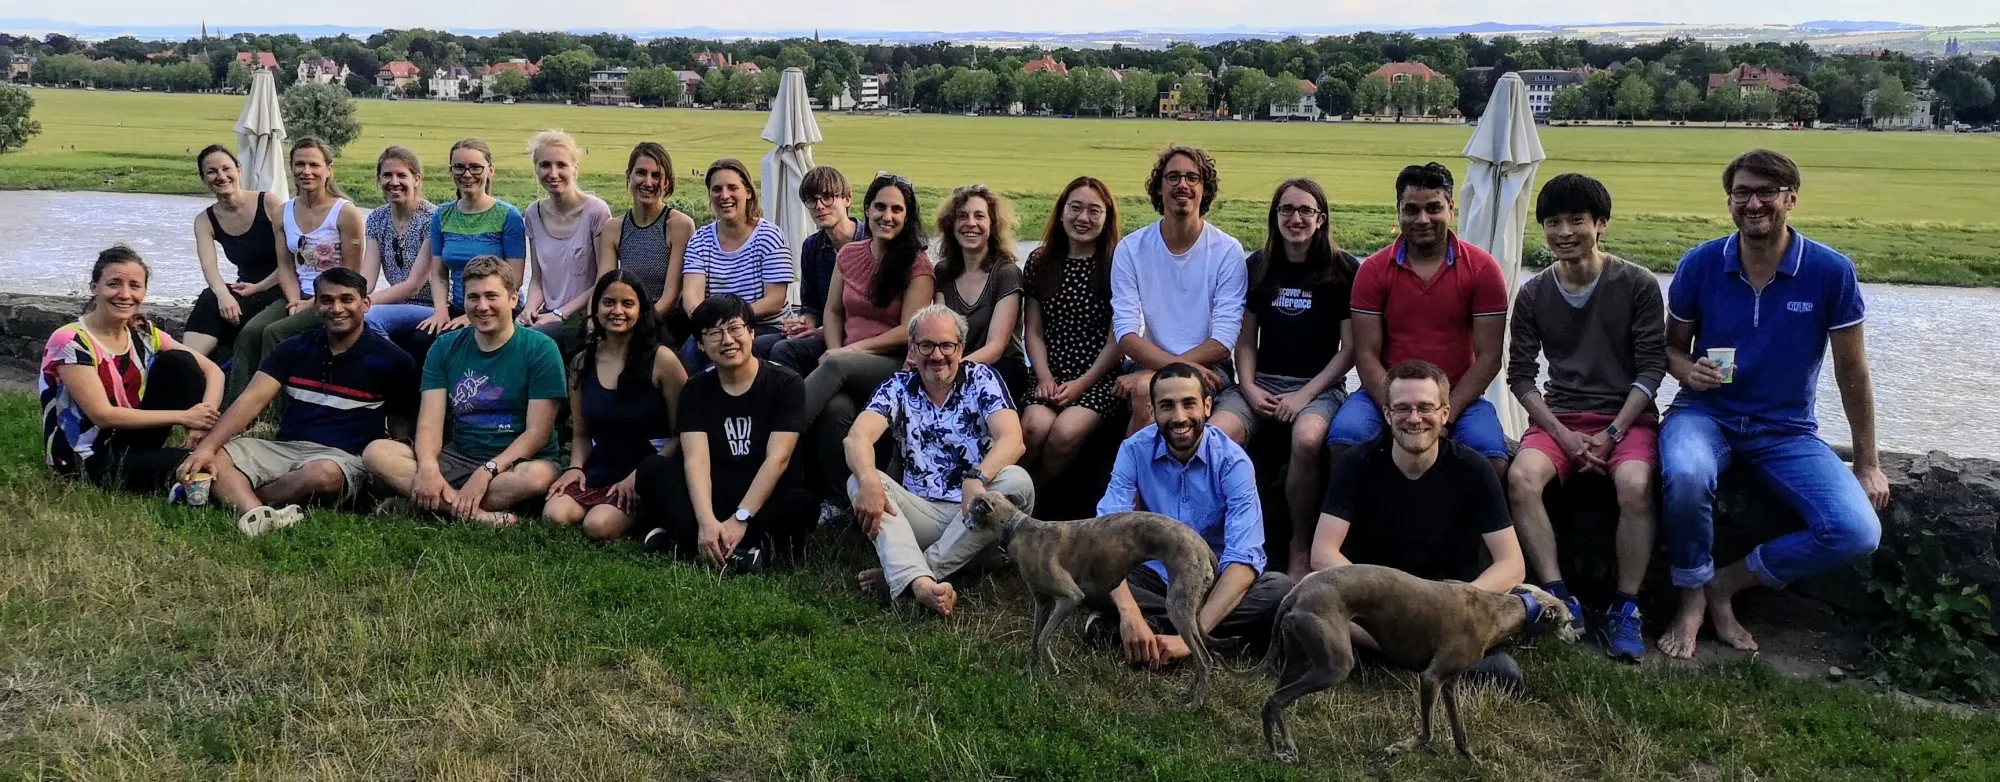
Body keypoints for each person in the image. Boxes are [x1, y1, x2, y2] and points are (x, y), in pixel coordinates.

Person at [1656, 149, 1889, 660]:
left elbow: (1854, 372)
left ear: (1791, 199)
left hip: (1787, 429)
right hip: (1704, 414)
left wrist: (1867, 462)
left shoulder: (1830, 271)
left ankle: (1727, 584)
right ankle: (1691, 595)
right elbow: (1670, 349)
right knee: (1688, 476)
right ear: (1729, 201)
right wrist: (1686, 369)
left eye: (1767, 192)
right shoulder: (1700, 264)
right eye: (1742, 192)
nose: (1754, 203)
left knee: (1856, 530)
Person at [1504, 173, 1667, 662]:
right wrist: (1562, 434)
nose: (1564, 232)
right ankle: (1557, 597)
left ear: (1601, 224)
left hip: (1628, 416)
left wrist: (1614, 433)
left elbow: (1652, 367)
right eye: (1553, 222)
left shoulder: (1636, 284)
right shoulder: (1533, 293)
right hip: (1561, 418)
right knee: (1521, 479)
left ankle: (1625, 606)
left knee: (1636, 485)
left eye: (1577, 220)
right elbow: (1520, 376)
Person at [1312, 360, 1526, 686]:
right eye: (1402, 409)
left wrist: (1457, 601)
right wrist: (1380, 598)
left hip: (1446, 610)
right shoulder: (1357, 463)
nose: (1414, 419)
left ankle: (1398, 655)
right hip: (1375, 608)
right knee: (1305, 598)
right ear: (1387, 414)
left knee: (1506, 670)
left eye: (1425, 408)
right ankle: (1428, 659)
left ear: (1444, 413)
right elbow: (1323, 553)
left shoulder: (1474, 468)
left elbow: (1512, 564)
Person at [175, 268, 418, 535]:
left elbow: (401, 429)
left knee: (323, 475)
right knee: (219, 457)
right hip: (286, 447)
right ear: (315, 306)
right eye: (326, 300)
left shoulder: (392, 360)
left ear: (366, 304)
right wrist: (207, 448)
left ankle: (234, 494)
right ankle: (256, 514)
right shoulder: (294, 348)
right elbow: (251, 401)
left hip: (342, 457)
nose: (336, 308)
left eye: (346, 299)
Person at [1086, 363, 1292, 668]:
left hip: (1212, 580)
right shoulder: (1133, 451)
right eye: (1167, 406)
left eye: (1189, 403)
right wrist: (1129, 612)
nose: (1179, 417)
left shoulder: (1233, 462)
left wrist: (1188, 637)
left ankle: (1162, 632)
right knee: (1089, 572)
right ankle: (1165, 627)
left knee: (1278, 591)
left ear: (1207, 406)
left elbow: (1244, 560)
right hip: (1155, 574)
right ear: (1153, 411)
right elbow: (1105, 535)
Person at [1210, 178, 1360, 581]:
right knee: (1217, 433)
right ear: (1275, 216)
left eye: (1305, 210)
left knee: (1309, 439)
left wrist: (1304, 395)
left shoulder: (1344, 269)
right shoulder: (1257, 265)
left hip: (1319, 387)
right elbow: (1244, 341)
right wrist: (1247, 387)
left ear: (1321, 218)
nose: (1296, 218)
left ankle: (1299, 545)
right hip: (1260, 382)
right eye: (1287, 210)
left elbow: (1349, 350)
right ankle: (1218, 536)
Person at [845, 305, 1034, 616]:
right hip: (925, 515)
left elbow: (1012, 439)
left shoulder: (981, 378)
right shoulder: (898, 387)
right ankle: (922, 582)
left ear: (960, 348)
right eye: (926, 345)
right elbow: (857, 437)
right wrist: (867, 480)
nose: (936, 355)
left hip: (981, 520)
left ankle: (912, 575)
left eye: (946, 345)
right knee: (860, 479)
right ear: (912, 349)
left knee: (1017, 481)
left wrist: (976, 477)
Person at [1326, 162, 1511, 479]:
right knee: (1346, 439)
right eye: (1411, 209)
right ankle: (1350, 524)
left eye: (1433, 208)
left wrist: (1445, 414)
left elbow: (1490, 356)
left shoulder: (1483, 269)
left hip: (1457, 397)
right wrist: (1396, 408)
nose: (1422, 219)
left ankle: (1477, 528)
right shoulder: (1373, 269)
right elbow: (1366, 353)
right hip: (1386, 395)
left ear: (1451, 208)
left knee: (1489, 455)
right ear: (1398, 211)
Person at [362, 256, 564, 526]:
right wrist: (430, 468)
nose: (482, 307)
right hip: (458, 457)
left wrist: (488, 470)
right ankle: (476, 515)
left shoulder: (540, 348)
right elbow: (430, 423)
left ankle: (427, 502)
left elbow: (537, 434)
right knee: (376, 452)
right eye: (473, 297)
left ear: (514, 299)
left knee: (537, 476)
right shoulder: (445, 347)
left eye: (492, 296)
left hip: (515, 464)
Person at [636, 295, 816, 572]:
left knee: (802, 504)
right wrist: (707, 519)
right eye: (714, 334)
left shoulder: (787, 384)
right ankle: (734, 550)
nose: (727, 340)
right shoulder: (695, 389)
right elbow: (695, 460)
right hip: (713, 492)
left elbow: (777, 460)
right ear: (700, 345)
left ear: (752, 333)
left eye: (735, 329)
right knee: (652, 469)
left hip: (762, 494)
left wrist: (741, 518)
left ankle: (684, 541)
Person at [41, 246, 225, 494]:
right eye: (114, 284)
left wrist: (202, 422)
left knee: (179, 361)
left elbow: (214, 372)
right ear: (94, 287)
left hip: (131, 439)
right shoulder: (69, 341)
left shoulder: (141, 330)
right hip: (84, 458)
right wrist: (184, 416)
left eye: (135, 286)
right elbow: (103, 416)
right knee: (190, 461)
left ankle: (188, 461)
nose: (125, 294)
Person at [797, 172, 937, 498]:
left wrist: (846, 354)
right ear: (867, 208)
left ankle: (769, 445)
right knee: (835, 410)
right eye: (880, 207)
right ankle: (840, 498)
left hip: (894, 365)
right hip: (847, 362)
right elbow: (832, 311)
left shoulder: (916, 265)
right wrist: (834, 348)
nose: (887, 216)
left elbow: (908, 331)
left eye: (897, 210)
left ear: (907, 216)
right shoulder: (848, 254)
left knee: (834, 368)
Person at [1110, 146, 1247, 435]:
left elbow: (1223, 341)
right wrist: (1173, 367)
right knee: (1147, 393)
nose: (1182, 185)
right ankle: (1135, 479)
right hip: (1147, 361)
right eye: (1172, 177)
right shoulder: (1131, 249)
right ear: (1159, 188)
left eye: (1191, 178)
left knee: (1161, 391)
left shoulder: (1227, 251)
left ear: (1204, 189)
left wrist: (1171, 370)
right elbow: (1126, 334)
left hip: (1211, 366)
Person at [544, 270, 687, 541]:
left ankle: (651, 510)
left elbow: (681, 434)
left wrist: (640, 476)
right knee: (554, 515)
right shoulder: (581, 363)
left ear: (641, 310)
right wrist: (575, 467)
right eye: (608, 302)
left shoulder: (663, 361)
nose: (617, 311)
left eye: (627, 304)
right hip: (602, 463)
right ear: (596, 307)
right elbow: (581, 434)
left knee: (598, 526)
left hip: (648, 467)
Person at [225, 138, 367, 401]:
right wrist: (293, 301)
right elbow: (286, 265)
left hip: (333, 298)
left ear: (329, 169)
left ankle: (273, 409)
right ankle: (234, 406)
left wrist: (313, 302)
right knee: (250, 333)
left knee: (275, 332)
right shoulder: (283, 212)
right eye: (299, 164)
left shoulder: (345, 213)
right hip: (296, 294)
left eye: (314, 164)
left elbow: (352, 276)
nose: (306, 171)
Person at [1020, 176, 1122, 478]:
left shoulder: (1116, 264)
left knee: (1065, 433)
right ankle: (1014, 499)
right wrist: (1045, 377)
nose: (1083, 218)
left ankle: (1043, 504)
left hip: (1097, 377)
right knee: (1034, 427)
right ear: (1062, 211)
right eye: (1075, 208)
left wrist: (1082, 383)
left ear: (1106, 217)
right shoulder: (1040, 261)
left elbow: (1118, 340)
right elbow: (1034, 332)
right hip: (1049, 373)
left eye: (1094, 211)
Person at [412, 138, 528, 351]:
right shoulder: (441, 216)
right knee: (422, 339)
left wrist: (472, 316)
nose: (467, 174)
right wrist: (440, 312)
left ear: (490, 170)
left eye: (475, 167)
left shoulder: (507, 216)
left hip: (497, 309)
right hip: (459, 305)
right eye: (459, 167)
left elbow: (515, 278)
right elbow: (438, 274)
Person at [678, 157, 792, 370]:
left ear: (748, 192)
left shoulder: (769, 236)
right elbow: (692, 295)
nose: (725, 196)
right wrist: (710, 323)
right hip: (714, 325)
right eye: (717, 189)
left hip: (764, 327)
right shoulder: (700, 240)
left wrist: (730, 321)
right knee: (688, 357)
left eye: (732, 188)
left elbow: (775, 300)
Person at [184, 144, 286, 358]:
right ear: (204, 179)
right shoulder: (205, 220)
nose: (221, 176)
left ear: (238, 170)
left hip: (281, 288)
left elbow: (292, 258)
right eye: (212, 172)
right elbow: (209, 267)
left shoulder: (268, 202)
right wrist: (223, 296)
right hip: (246, 290)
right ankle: (189, 362)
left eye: (226, 168)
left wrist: (260, 287)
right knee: (210, 298)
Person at [932, 183, 1029, 398]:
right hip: (952, 363)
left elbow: (996, 347)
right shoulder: (943, 272)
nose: (971, 224)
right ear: (951, 223)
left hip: (1001, 368)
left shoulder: (1006, 273)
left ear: (992, 225)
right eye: (962, 216)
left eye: (979, 216)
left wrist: (951, 369)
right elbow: (940, 332)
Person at [597, 142, 698, 345]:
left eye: (656, 176)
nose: (648, 182)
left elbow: (670, 295)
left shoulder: (679, 225)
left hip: (665, 322)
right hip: (624, 314)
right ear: (629, 176)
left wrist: (636, 326)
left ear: (667, 182)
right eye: (641, 173)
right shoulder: (613, 228)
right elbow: (604, 285)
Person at [520, 130, 613, 350]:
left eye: (561, 165)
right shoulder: (533, 213)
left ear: (575, 168)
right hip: (548, 315)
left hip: (584, 316)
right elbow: (537, 279)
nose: (553, 173)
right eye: (545, 165)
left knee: (528, 344)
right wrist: (530, 310)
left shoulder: (596, 212)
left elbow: (603, 279)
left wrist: (560, 314)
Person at [768, 165, 864, 375]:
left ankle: (793, 404)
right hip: (827, 331)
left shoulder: (869, 242)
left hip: (858, 337)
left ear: (847, 199)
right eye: (812, 200)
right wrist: (804, 323)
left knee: (783, 351)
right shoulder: (812, 246)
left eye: (828, 197)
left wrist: (822, 332)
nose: (819, 206)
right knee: (758, 346)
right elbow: (812, 306)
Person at [359, 146, 441, 353]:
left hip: (430, 305)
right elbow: (367, 279)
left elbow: (413, 285)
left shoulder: (432, 219)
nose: (394, 182)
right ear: (379, 180)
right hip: (398, 304)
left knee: (368, 318)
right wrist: (350, 297)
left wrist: (363, 303)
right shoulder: (377, 218)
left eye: (401, 175)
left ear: (416, 179)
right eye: (387, 175)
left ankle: (397, 369)